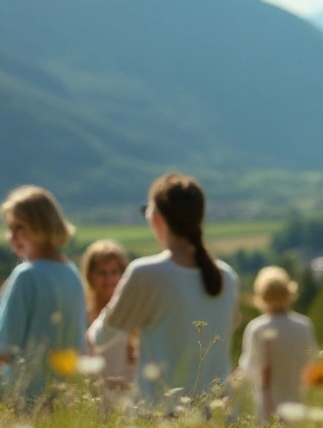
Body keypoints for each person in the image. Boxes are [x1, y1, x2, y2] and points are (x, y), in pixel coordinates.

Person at [88, 174, 240, 410]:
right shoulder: (227, 276)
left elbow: (100, 337)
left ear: (157, 218)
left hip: (161, 416)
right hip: (218, 418)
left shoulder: (146, 272)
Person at [0, 186, 86, 407]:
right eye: (10, 229)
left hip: (18, 402)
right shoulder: (72, 273)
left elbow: (3, 353)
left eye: (19, 228)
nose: (11, 237)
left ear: (41, 224)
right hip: (62, 402)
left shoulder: (26, 275)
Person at [238, 266, 316, 424]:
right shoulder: (303, 325)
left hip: (267, 403)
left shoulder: (257, 328)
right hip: (297, 397)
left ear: (261, 296)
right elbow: (312, 362)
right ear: (289, 292)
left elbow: (250, 369)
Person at [79, 239, 135, 387]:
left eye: (114, 272)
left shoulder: (133, 313)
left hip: (125, 395)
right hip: (89, 394)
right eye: (102, 273)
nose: (109, 279)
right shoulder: (81, 312)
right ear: (90, 275)